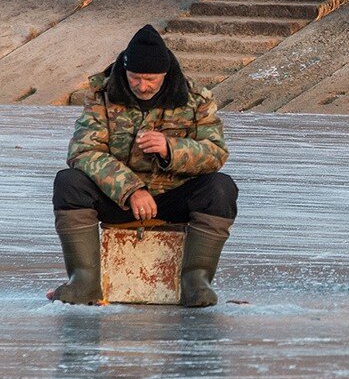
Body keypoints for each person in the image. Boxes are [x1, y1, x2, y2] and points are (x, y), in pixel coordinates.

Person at [49, 25, 238, 307]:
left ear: (165, 74)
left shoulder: (196, 99)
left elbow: (216, 154)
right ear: (125, 72)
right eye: (135, 78)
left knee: (221, 188)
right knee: (68, 182)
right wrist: (131, 189)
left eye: (150, 79)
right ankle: (84, 282)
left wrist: (170, 148)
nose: (142, 86)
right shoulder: (102, 94)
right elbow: (83, 151)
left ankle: (195, 281)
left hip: (173, 196)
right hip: (120, 199)